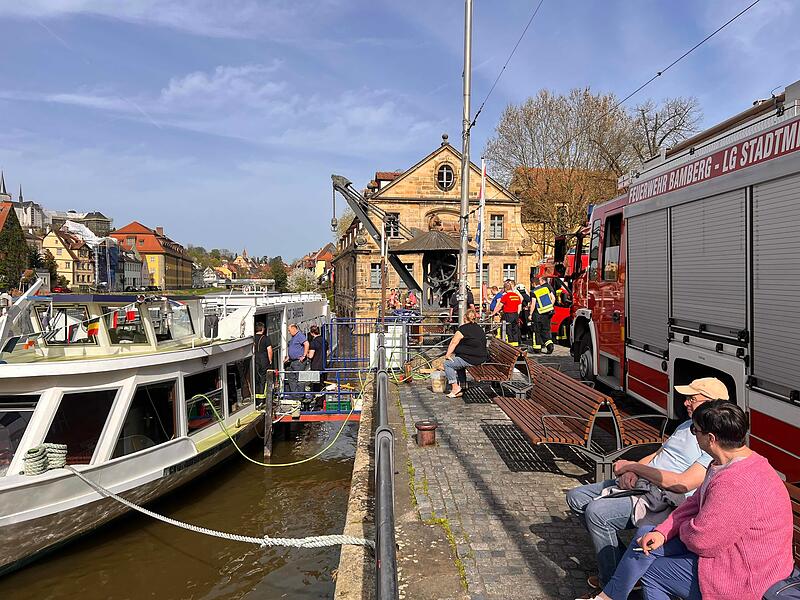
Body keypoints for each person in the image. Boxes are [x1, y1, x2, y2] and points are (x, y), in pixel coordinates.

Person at [583, 400, 795, 600]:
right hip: (729, 550)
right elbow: (694, 502)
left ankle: (610, 595)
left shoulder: (737, 481)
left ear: (711, 439)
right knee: (646, 536)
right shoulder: (724, 463)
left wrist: (677, 529)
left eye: (696, 431)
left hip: (746, 572)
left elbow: (703, 541)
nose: (693, 435)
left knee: (651, 572)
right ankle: (611, 595)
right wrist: (663, 532)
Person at [566, 377, 728, 592]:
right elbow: (659, 453)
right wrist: (632, 469)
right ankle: (626, 569)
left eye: (692, 398)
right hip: (644, 482)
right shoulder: (687, 425)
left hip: (663, 497)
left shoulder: (711, 439)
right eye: (687, 398)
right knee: (576, 497)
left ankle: (613, 585)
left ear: (712, 403)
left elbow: (682, 484)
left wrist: (633, 468)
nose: (686, 403)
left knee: (597, 512)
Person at [442, 308, 488, 398]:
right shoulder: (479, 328)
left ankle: (455, 388)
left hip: (472, 359)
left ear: (464, 318)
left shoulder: (463, 329)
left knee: (448, 364)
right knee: (458, 358)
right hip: (481, 356)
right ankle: (462, 386)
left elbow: (453, 342)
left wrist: (447, 355)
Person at [529, 274, 556, 354]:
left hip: (538, 314)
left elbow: (533, 304)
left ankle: (537, 349)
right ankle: (550, 345)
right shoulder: (545, 289)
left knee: (536, 331)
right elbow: (553, 298)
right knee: (545, 330)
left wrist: (530, 314)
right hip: (547, 313)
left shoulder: (533, 292)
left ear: (533, 283)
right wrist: (549, 306)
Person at [491, 280, 523, 346]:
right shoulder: (516, 296)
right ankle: (516, 344)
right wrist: (517, 314)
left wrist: (493, 313)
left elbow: (499, 306)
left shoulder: (505, 296)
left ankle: (510, 345)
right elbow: (519, 306)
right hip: (515, 315)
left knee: (508, 330)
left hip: (508, 315)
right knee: (515, 330)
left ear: (505, 289)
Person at [283, 323, 309, 398]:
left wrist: (304, 355)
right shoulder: (293, 337)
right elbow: (293, 348)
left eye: (289, 330)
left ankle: (300, 396)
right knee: (291, 378)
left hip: (298, 361)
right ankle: (295, 395)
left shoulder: (299, 335)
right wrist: (288, 357)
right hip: (292, 361)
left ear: (294, 329)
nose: (288, 332)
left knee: (299, 378)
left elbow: (306, 344)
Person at [307, 325, 327, 406]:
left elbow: (311, 356)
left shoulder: (313, 342)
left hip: (316, 366)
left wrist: (306, 353)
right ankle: (323, 401)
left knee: (316, 385)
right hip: (324, 366)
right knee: (323, 384)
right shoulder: (324, 341)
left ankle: (318, 404)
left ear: (312, 333)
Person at [253, 322, 273, 400]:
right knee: (263, 379)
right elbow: (269, 350)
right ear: (263, 329)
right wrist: (270, 360)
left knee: (257, 378)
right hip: (264, 359)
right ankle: (263, 397)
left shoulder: (253, 338)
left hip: (255, 360)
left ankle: (257, 397)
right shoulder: (266, 338)